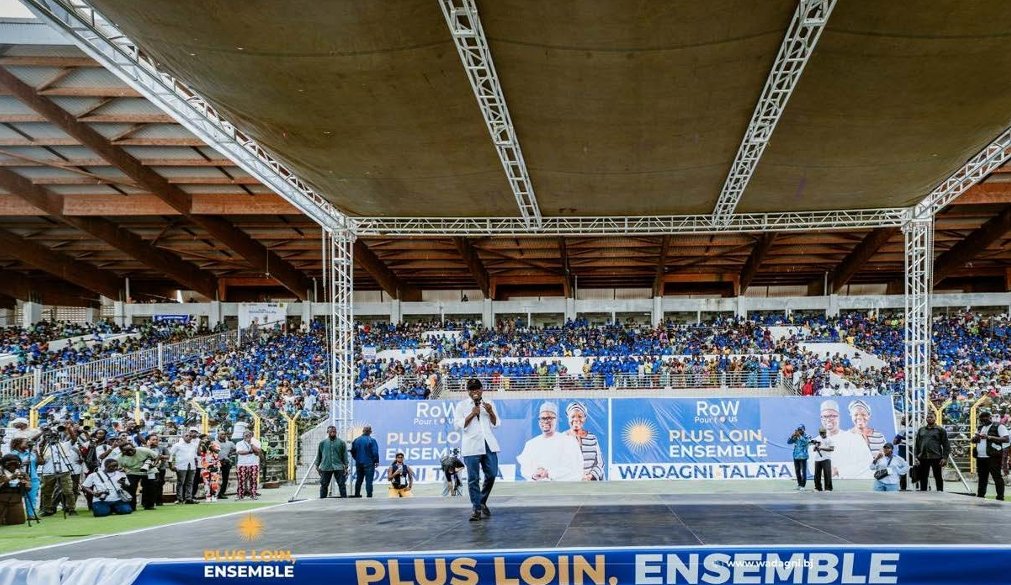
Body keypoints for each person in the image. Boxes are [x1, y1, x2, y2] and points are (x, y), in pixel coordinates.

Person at [454, 378, 500, 522]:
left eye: (477, 388)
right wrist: (472, 414)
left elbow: (496, 423)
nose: (475, 392)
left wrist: (491, 412)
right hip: (471, 445)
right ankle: (476, 508)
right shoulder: (461, 406)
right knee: (473, 478)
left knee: (492, 474)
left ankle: (481, 500)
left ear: (481, 389)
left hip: (488, 444)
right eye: (472, 389)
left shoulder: (489, 404)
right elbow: (458, 425)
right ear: (468, 391)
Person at [516, 402, 584, 482]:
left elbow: (575, 470)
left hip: (562, 490)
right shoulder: (531, 444)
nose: (545, 421)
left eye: (549, 418)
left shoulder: (568, 442)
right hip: (537, 490)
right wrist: (534, 475)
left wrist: (549, 474)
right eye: (542, 418)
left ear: (556, 420)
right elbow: (525, 469)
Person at [820, 400, 871, 479]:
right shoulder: (815, 443)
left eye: (833, 416)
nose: (829, 419)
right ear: (821, 418)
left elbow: (867, 462)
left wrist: (838, 471)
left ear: (839, 417)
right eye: (825, 416)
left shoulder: (855, 438)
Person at [36, 427, 79, 516]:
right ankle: (47, 510)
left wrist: (69, 429)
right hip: (48, 472)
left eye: (55, 435)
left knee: (68, 491)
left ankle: (71, 509)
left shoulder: (64, 445)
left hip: (64, 471)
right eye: (51, 435)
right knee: (46, 492)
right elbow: (40, 460)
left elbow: (74, 439)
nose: (53, 437)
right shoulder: (43, 446)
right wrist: (43, 437)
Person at [972, 410, 1008, 500]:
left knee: (997, 477)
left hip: (993, 456)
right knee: (982, 478)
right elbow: (973, 440)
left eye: (986, 418)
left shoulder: (999, 426)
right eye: (982, 419)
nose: (984, 420)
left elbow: (1006, 439)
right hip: (980, 457)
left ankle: (1000, 497)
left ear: (990, 418)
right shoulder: (980, 427)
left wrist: (989, 437)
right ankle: (980, 496)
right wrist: (975, 438)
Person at [564, 401, 604, 481]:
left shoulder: (592, 438)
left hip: (589, 485)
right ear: (568, 417)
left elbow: (600, 463)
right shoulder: (562, 438)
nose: (576, 419)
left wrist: (590, 476)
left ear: (585, 417)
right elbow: (558, 463)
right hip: (569, 485)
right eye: (573, 416)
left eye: (580, 416)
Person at [116, 442, 161, 510]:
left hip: (149, 471)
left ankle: (149, 505)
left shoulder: (143, 450)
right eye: (127, 451)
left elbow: (157, 456)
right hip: (132, 472)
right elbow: (117, 467)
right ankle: (131, 506)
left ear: (134, 447)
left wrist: (154, 464)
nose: (130, 452)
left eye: (131, 449)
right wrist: (121, 469)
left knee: (151, 487)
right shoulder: (119, 458)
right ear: (122, 451)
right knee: (130, 488)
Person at [913, 411, 950, 492]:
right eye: (928, 417)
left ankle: (940, 493)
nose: (929, 418)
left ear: (935, 418)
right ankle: (923, 493)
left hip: (936, 457)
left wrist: (944, 458)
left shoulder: (940, 430)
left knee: (938, 477)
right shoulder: (921, 430)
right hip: (923, 457)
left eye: (931, 417)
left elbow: (946, 445)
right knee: (923, 477)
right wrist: (916, 457)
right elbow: (917, 445)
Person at [314, 425, 349, 499]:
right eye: (331, 432)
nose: (333, 433)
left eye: (334, 432)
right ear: (328, 432)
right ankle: (322, 500)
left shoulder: (341, 443)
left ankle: (345, 500)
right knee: (324, 485)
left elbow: (344, 455)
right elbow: (319, 455)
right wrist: (317, 465)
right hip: (326, 467)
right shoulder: (322, 443)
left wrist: (346, 466)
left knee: (342, 484)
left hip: (338, 467)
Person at [8, 438, 39, 515]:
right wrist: (21, 464)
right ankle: (13, 515)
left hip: (33, 477)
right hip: (18, 478)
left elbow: (39, 462)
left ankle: (31, 515)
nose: (27, 444)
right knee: (16, 498)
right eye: (25, 443)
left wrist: (37, 452)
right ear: (18, 444)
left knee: (32, 498)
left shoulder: (30, 453)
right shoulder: (13, 454)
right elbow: (8, 467)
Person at [169, 428, 199, 504]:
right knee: (180, 482)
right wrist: (171, 465)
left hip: (191, 466)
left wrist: (195, 465)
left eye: (190, 436)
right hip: (181, 466)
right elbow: (171, 455)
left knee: (190, 482)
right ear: (182, 436)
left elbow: (195, 456)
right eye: (186, 435)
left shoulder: (194, 445)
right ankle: (179, 499)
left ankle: (188, 498)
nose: (189, 437)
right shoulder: (177, 445)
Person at [350, 425, 380, 498]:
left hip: (359, 463)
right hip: (369, 463)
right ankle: (369, 495)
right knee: (369, 481)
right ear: (370, 432)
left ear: (363, 431)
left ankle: (357, 494)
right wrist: (376, 461)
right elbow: (375, 452)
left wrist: (357, 458)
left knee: (359, 480)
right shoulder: (372, 440)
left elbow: (352, 451)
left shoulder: (356, 440)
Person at [0, 454, 28, 526]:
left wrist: (25, 484)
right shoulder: (1, 473)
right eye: (10, 464)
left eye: (15, 464)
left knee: (18, 521)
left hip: (16, 500)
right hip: (1, 500)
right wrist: (9, 479)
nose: (13, 466)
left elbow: (28, 488)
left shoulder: (22, 474)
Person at [235, 431, 261, 500]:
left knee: (253, 480)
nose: (247, 436)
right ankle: (240, 495)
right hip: (242, 464)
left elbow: (258, 451)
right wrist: (250, 452)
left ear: (251, 435)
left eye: (249, 435)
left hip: (253, 464)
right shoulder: (239, 443)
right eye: (245, 435)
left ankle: (253, 495)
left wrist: (251, 444)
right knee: (241, 480)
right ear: (243, 436)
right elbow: (240, 452)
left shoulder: (256, 442)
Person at [787, 425, 811, 491]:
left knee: (803, 471)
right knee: (797, 471)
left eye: (801, 429)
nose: (799, 431)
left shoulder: (807, 436)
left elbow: (807, 442)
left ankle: (803, 485)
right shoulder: (796, 436)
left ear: (804, 430)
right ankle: (799, 484)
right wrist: (792, 436)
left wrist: (799, 436)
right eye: (798, 429)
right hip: (796, 456)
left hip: (803, 456)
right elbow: (788, 442)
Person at [810, 426, 834, 492]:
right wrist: (816, 446)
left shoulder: (829, 439)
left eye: (823, 433)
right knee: (817, 474)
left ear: (826, 432)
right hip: (818, 459)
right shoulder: (817, 438)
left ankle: (828, 488)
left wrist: (821, 448)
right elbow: (814, 449)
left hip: (826, 458)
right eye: (821, 433)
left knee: (827, 474)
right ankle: (818, 488)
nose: (822, 434)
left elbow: (832, 449)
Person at [215, 431, 235, 499]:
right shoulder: (214, 443)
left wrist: (230, 454)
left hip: (226, 462)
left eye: (224, 434)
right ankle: (214, 493)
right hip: (216, 462)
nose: (224, 435)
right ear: (218, 435)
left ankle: (221, 493)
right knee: (214, 478)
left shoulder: (230, 443)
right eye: (222, 434)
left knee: (225, 479)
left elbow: (235, 449)